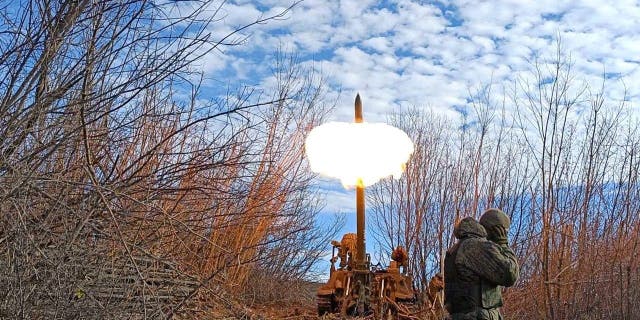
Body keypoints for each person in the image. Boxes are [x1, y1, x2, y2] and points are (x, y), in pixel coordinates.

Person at [444, 209, 519, 320]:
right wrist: (503, 244)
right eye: (505, 232)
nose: (505, 235)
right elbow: (510, 274)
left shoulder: (458, 247)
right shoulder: (477, 246)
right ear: (497, 231)